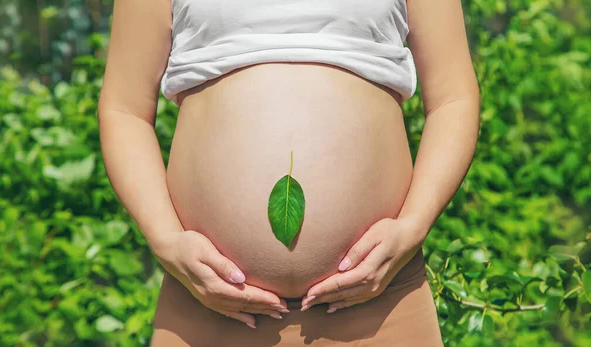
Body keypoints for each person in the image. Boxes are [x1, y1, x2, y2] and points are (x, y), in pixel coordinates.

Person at [97, 0, 480, 345]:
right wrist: (166, 241)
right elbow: (124, 109)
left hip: (382, 308)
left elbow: (453, 97)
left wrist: (412, 226)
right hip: (207, 311)